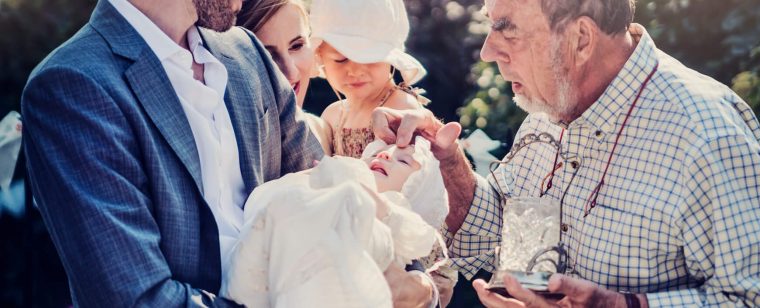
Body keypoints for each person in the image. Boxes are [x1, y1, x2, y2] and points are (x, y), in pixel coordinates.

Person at [370, 0, 760, 306]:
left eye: (508, 30)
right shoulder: (552, 104)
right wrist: (448, 164)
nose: (488, 50)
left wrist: (624, 306)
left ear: (581, 38)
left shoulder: (707, 135)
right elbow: (502, 239)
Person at [18, 0, 429, 306]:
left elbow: (332, 188)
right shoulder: (73, 85)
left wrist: (411, 283)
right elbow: (137, 297)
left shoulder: (245, 52)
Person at [223, 138, 449, 307]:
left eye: (403, 161)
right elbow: (266, 204)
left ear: (418, 193)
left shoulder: (398, 233)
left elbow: (414, 241)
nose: (385, 156)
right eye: (378, 152)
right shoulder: (322, 185)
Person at [310, 0, 430, 158]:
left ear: (390, 57)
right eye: (340, 59)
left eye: (369, 58)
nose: (355, 71)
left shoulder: (400, 109)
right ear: (320, 56)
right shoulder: (333, 115)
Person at [237, 0, 333, 155]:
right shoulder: (231, 149)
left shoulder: (325, 131)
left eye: (296, 46)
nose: (291, 72)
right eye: (267, 56)